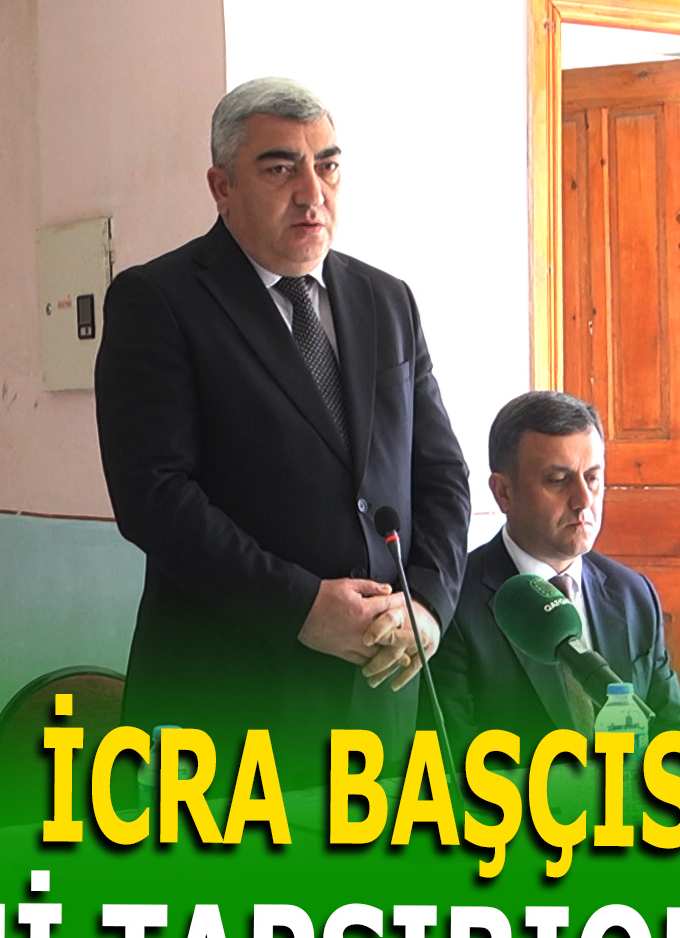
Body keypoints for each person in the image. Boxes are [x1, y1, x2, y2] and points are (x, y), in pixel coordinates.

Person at [93, 77, 470, 790]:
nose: (311, 193)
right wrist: (297, 607)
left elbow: (441, 473)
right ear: (222, 186)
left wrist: (427, 602)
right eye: (279, 169)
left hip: (380, 695)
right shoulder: (160, 301)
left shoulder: (387, 300)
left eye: (327, 166)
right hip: (229, 702)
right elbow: (154, 496)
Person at [432, 391, 680, 750]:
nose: (584, 500)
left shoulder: (635, 595)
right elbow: (455, 759)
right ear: (503, 492)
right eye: (558, 479)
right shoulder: (452, 602)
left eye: (593, 478)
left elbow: (674, 738)